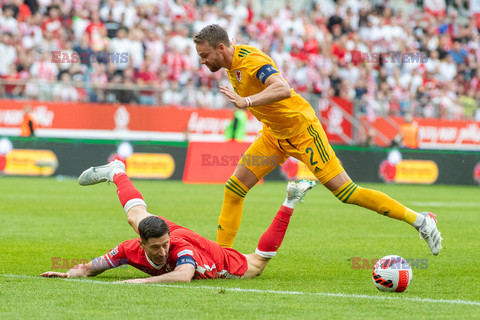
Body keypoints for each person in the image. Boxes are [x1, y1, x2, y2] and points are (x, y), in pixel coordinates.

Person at [193, 24, 442, 254]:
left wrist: (246, 102)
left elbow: (282, 88)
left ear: (221, 48)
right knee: (234, 189)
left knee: (346, 193)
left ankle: (421, 221)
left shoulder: (251, 61)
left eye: (204, 55)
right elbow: (232, 42)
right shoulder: (230, 58)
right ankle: (220, 257)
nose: (202, 61)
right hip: (274, 135)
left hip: (303, 131)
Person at [40, 160, 315, 283]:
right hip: (170, 232)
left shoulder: (178, 248)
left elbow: (183, 276)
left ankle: (290, 200)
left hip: (217, 257)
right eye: (156, 247)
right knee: (135, 215)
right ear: (142, 243)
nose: (162, 252)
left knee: (257, 264)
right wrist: (69, 273)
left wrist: (136, 283)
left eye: (163, 246)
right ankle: (117, 171)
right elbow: (92, 267)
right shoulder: (130, 248)